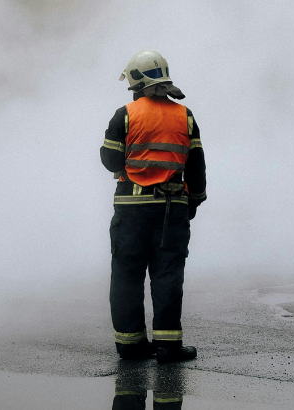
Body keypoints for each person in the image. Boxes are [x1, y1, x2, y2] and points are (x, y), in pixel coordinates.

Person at [100, 49, 207, 363]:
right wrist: (194, 201)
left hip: (131, 210)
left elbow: (109, 160)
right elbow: (197, 166)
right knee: (168, 275)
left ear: (136, 81)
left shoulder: (125, 114)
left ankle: (131, 345)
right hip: (171, 208)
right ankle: (168, 346)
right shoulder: (184, 115)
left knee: (126, 276)